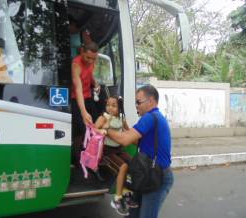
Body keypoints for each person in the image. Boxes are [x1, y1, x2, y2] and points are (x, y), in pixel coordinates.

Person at [103, 85, 174, 218]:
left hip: (156, 176)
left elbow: (125, 140)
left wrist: (105, 130)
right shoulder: (154, 118)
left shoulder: (150, 117)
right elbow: (133, 139)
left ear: (151, 101)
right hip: (146, 172)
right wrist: (119, 130)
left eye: (138, 102)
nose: (136, 105)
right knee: (132, 214)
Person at [95, 96, 138, 216]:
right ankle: (117, 199)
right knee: (123, 167)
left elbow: (128, 131)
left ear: (119, 107)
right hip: (107, 151)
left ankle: (125, 191)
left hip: (119, 149)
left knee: (133, 164)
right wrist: (102, 130)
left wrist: (139, 141)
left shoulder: (121, 118)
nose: (110, 108)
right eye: (108, 105)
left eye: (113, 106)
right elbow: (93, 129)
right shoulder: (103, 118)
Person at [71, 42, 100, 164]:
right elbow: (78, 89)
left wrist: (96, 84)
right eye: (88, 58)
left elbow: (90, 74)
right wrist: (84, 112)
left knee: (93, 128)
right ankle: (81, 161)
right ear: (82, 51)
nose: (90, 61)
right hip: (77, 100)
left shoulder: (92, 61)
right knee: (83, 130)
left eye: (93, 59)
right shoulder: (76, 64)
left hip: (88, 98)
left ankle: (89, 160)